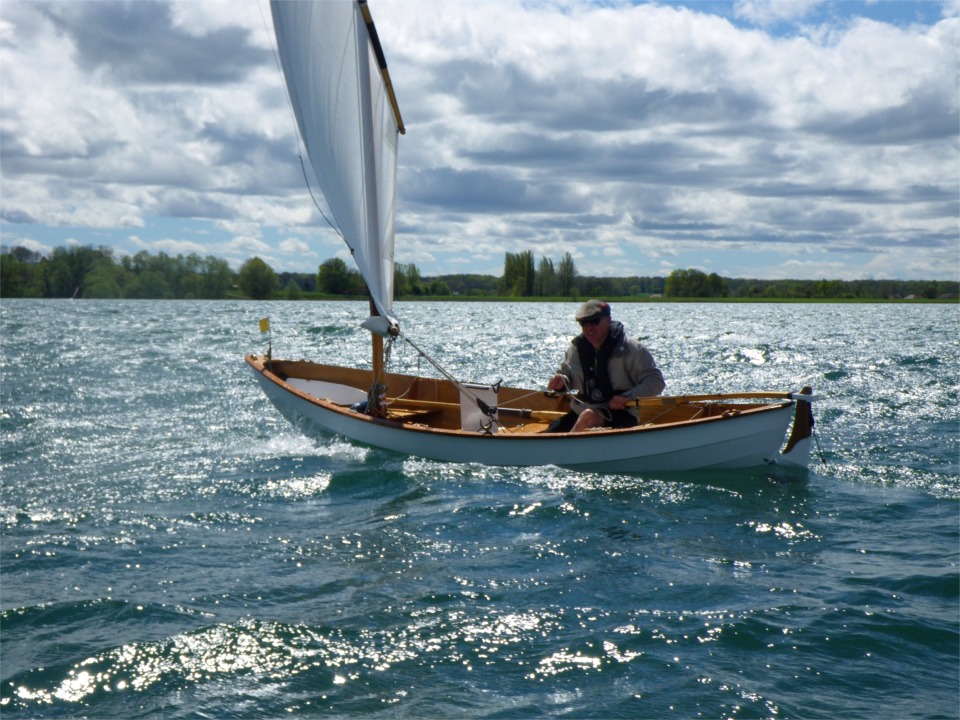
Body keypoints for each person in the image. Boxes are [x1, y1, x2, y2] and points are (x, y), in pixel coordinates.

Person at [546, 299, 665, 432]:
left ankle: (566, 451)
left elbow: (656, 381)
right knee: (549, 434)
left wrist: (628, 396)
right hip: (582, 410)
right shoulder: (576, 348)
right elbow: (567, 375)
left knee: (588, 416)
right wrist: (562, 382)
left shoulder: (632, 349)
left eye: (595, 321)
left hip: (623, 414)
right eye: (584, 323)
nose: (589, 328)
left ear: (608, 320)